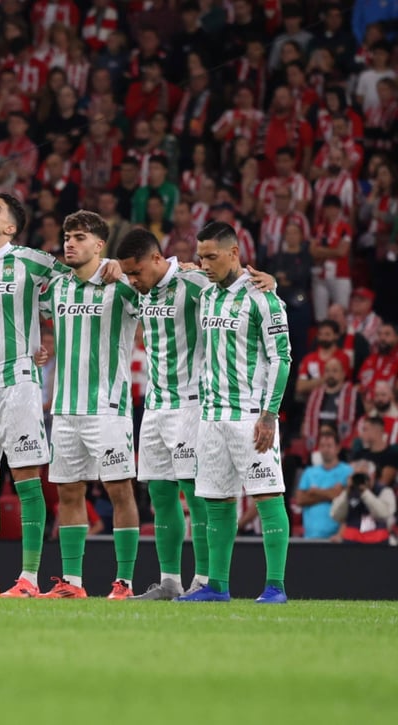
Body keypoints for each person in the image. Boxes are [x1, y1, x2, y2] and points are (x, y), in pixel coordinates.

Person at [0, 193, 81, 598]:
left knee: (26, 479)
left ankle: (28, 578)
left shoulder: (32, 260)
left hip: (18, 382)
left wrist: (52, 341)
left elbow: (77, 280)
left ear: (10, 227)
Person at [180, 221, 293, 604]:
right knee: (217, 501)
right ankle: (218, 586)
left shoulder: (263, 297)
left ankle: (275, 587)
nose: (205, 263)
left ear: (234, 253)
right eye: (201, 257)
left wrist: (269, 414)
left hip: (249, 416)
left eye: (212, 256)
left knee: (267, 496)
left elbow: (282, 357)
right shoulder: (207, 295)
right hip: (210, 417)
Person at [37, 211, 142, 600]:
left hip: (107, 408)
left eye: (79, 237)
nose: (69, 243)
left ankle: (125, 582)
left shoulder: (122, 287)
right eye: (67, 236)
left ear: (100, 245)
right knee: (68, 493)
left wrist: (124, 270)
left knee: (119, 491)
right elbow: (31, 314)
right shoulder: (58, 286)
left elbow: (159, 298)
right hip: (64, 408)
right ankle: (72, 583)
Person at [115, 229, 211, 599]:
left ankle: (203, 581)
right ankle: (170, 581)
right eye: (128, 274)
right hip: (155, 405)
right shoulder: (141, 288)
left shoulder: (194, 282)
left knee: (195, 493)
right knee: (160, 493)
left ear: (157, 259)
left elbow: (237, 292)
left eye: (137, 272)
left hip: (191, 404)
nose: (133, 280)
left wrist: (265, 280)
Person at [295, 427, 350, 541]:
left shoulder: (347, 471)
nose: (325, 449)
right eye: (322, 446)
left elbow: (344, 498)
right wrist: (331, 494)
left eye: (329, 446)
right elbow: (300, 499)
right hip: (310, 537)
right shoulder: (309, 472)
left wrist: (315, 492)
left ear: (338, 448)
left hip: (336, 538)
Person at [329, 465, 396, 544]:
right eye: (356, 475)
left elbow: (384, 515)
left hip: (378, 541)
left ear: (372, 475)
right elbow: (335, 515)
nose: (360, 479)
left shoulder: (384, 491)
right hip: (352, 541)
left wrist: (365, 492)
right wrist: (346, 493)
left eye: (363, 475)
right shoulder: (348, 492)